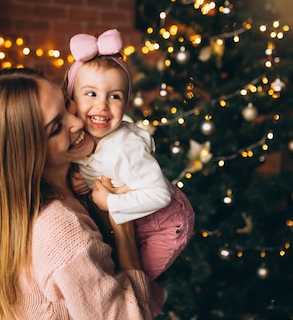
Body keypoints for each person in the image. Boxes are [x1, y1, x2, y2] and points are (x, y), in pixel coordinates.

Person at [0, 68, 155, 320]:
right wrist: (123, 222)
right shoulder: (62, 230)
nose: (77, 122)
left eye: (67, 104)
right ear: (27, 154)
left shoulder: (25, 206)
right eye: (56, 128)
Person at [65, 29, 195, 313]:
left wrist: (109, 202)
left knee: (134, 282)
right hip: (139, 214)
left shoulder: (126, 147)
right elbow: (97, 168)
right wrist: (83, 181)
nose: (102, 105)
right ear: (71, 99)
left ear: (126, 103)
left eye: (114, 96)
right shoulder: (84, 136)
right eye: (90, 93)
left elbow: (159, 194)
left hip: (166, 223)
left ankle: (153, 303)